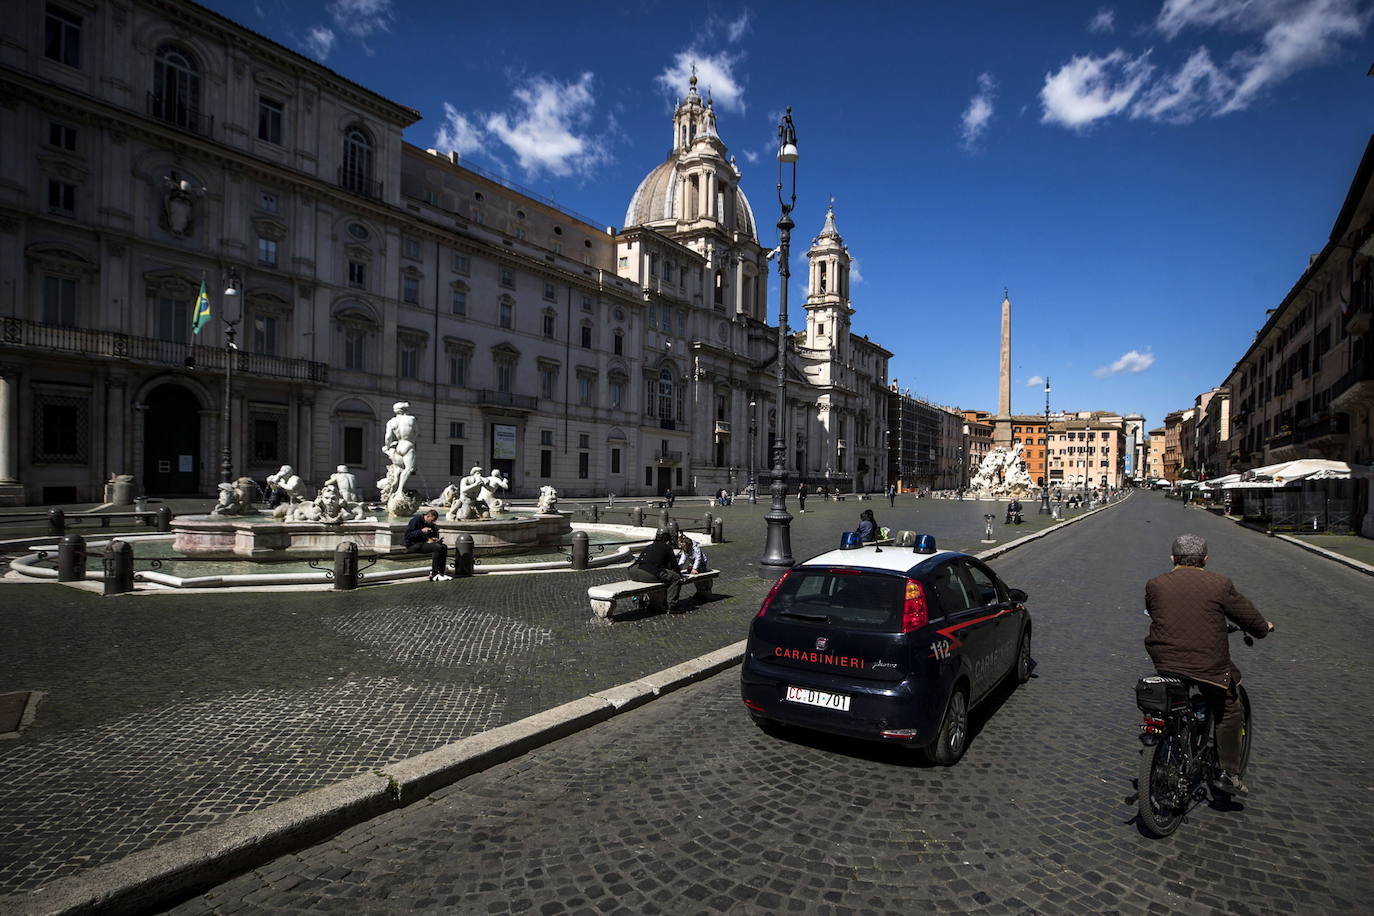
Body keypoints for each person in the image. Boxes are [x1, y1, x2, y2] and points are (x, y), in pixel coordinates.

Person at [1145, 534, 1273, 795]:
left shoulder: (1155, 584)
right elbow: (1248, 615)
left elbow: (1152, 609)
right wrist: (1263, 628)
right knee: (1229, 708)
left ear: (1172, 559)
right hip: (1208, 666)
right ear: (1205, 559)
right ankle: (1228, 771)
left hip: (1165, 660)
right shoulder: (1220, 585)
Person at [629, 528, 684, 612]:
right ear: (667, 539)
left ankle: (642, 600)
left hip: (633, 571)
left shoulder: (649, 546)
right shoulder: (667, 547)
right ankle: (672, 606)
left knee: (662, 574)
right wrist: (680, 575)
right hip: (647, 572)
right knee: (675, 578)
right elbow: (674, 565)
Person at [382, 401, 418, 500]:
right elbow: (416, 433)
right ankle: (399, 490)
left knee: (399, 469)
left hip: (398, 446)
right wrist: (412, 443)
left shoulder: (391, 422)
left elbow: (388, 437)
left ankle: (394, 489)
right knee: (409, 469)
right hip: (408, 445)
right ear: (405, 409)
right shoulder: (411, 419)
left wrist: (387, 446)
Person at [405, 509, 450, 581]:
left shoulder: (431, 524)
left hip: (424, 544)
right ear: (428, 516)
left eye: (434, 520)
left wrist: (436, 539)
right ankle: (434, 574)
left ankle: (441, 572)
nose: (433, 522)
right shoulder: (415, 520)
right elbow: (408, 536)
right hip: (413, 545)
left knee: (444, 547)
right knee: (437, 548)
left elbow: (432, 536)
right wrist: (421, 531)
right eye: (432, 520)